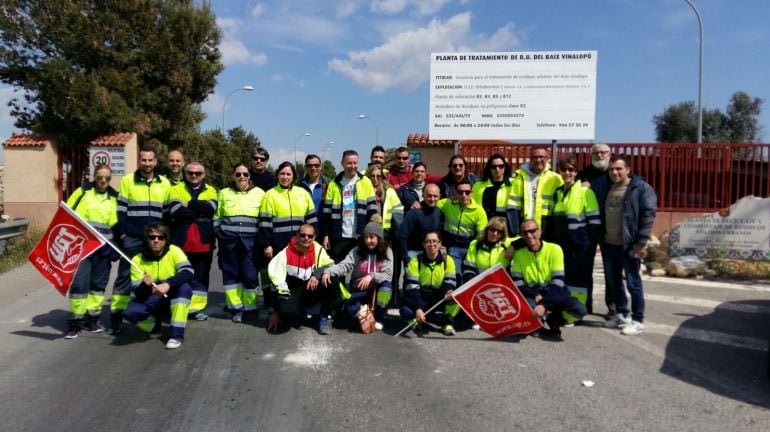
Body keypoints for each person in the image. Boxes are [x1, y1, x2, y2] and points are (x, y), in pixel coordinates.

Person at [109, 145, 171, 335]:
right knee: (125, 279)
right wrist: (123, 235)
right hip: (134, 239)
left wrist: (166, 238)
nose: (147, 163)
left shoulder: (164, 183)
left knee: (156, 277)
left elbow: (167, 214)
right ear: (139, 161)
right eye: (143, 160)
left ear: (155, 162)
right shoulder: (128, 181)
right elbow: (120, 211)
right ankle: (116, 318)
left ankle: (154, 312)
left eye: (150, 160)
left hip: (157, 240)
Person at [601, 155, 657, 336]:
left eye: (618, 169)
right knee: (614, 281)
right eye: (611, 169)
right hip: (610, 243)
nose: (615, 172)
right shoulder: (609, 188)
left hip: (629, 244)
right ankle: (623, 314)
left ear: (628, 169)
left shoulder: (640, 188)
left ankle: (638, 319)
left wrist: (641, 242)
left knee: (633, 283)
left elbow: (648, 215)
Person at [63, 164, 118, 339]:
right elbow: (66, 213)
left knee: (98, 287)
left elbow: (116, 225)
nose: (103, 181)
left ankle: (92, 319)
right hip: (82, 247)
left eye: (107, 178)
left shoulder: (114, 197)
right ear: (94, 177)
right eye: (100, 177)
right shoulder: (82, 192)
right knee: (80, 284)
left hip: (103, 250)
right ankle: (75, 322)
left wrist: (115, 246)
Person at [510, 220, 587, 341]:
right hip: (533, 294)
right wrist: (535, 294)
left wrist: (544, 304)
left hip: (554, 291)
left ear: (540, 231)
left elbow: (558, 282)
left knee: (580, 310)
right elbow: (518, 283)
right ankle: (536, 325)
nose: (529, 235)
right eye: (525, 233)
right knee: (527, 308)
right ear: (522, 236)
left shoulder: (554, 249)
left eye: (532, 231)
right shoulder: (519, 254)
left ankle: (555, 319)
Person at [122, 223, 194, 349]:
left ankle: (176, 335)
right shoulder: (137, 260)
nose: (156, 240)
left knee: (185, 289)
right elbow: (137, 292)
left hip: (171, 292)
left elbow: (188, 271)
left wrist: (168, 284)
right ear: (146, 239)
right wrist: (145, 285)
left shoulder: (174, 251)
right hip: (153, 296)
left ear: (166, 240)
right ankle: (155, 327)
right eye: (152, 237)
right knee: (130, 312)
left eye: (161, 238)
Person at [543, 157, 600, 313]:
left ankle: (577, 312)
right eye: (564, 169)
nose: (567, 172)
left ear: (576, 172)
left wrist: (587, 245)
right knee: (563, 278)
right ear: (560, 172)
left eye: (571, 170)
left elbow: (594, 223)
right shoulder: (558, 193)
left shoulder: (585, 192)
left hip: (580, 245)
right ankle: (565, 308)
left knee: (578, 281)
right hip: (561, 245)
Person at [321, 216, 393, 331]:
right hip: (359, 288)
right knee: (349, 310)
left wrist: (371, 276)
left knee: (386, 288)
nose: (368, 240)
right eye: (366, 237)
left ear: (379, 238)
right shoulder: (357, 250)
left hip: (376, 288)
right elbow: (345, 265)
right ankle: (366, 315)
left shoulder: (387, 251)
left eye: (372, 237)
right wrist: (329, 271)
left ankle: (379, 317)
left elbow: (388, 275)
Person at [214, 163, 265, 323]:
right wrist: (219, 232)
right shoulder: (223, 193)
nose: (241, 177)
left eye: (245, 174)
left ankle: (251, 308)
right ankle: (236, 308)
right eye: (238, 174)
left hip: (251, 243)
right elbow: (217, 216)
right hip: (228, 243)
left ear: (249, 176)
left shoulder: (260, 193)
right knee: (231, 277)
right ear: (233, 176)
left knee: (250, 276)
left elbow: (263, 219)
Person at [167, 161, 217, 321]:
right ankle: (179, 307)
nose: (194, 176)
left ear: (204, 175)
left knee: (201, 277)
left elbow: (210, 210)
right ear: (185, 173)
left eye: (198, 173)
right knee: (180, 276)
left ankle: (196, 309)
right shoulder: (175, 189)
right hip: (181, 243)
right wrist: (199, 210)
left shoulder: (211, 190)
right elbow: (176, 212)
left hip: (204, 243)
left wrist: (189, 204)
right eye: (191, 173)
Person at [267, 224, 338, 335]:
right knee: (286, 312)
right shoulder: (285, 253)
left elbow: (331, 264)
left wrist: (316, 275)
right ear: (297, 236)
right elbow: (276, 282)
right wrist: (276, 311)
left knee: (331, 277)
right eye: (303, 235)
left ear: (314, 237)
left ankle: (325, 317)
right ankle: (300, 313)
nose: (306, 238)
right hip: (293, 289)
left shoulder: (318, 249)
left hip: (311, 286)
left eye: (310, 236)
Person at [321, 150, 377, 262]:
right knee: (337, 270)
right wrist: (326, 235)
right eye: (349, 163)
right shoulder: (333, 183)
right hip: (339, 236)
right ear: (342, 164)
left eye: (355, 163)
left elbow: (372, 210)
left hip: (360, 235)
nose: (353, 166)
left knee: (360, 270)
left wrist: (370, 233)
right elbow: (326, 213)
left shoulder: (365, 182)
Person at [577, 143, 613, 314]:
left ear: (610, 154)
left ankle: (612, 307)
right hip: (588, 228)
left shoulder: (615, 173)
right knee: (584, 268)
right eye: (596, 152)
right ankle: (586, 305)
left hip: (610, 228)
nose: (600, 155)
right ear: (591, 155)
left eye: (603, 152)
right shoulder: (583, 174)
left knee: (611, 269)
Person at [401, 231, 458, 336]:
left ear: (440, 243)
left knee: (456, 299)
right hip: (422, 295)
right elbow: (412, 287)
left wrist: (448, 291)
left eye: (435, 241)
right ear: (423, 245)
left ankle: (447, 323)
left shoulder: (448, 260)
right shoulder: (415, 261)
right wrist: (418, 308)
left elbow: (450, 281)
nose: (432, 244)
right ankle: (416, 321)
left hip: (440, 296)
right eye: (428, 242)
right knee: (405, 311)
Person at [259, 161, 318, 260]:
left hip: (301, 243)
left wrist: (314, 239)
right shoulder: (269, 195)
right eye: (282, 174)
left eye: (288, 174)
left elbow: (312, 221)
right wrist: (266, 244)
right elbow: (265, 223)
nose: (285, 177)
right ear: (277, 175)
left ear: (293, 176)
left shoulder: (303, 194)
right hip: (278, 245)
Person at [437, 180, 488, 281]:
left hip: (471, 248)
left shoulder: (479, 211)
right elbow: (431, 203)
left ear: (472, 193)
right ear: (455, 193)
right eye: (460, 192)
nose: (464, 195)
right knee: (456, 275)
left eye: (467, 192)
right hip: (454, 247)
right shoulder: (447, 203)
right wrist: (418, 204)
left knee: (470, 277)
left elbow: (481, 235)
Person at [510, 147, 563, 236]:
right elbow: (513, 205)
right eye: (535, 157)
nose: (538, 160)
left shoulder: (556, 178)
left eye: (541, 157)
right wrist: (515, 231)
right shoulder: (520, 178)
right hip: (525, 226)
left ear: (547, 159)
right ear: (530, 159)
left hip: (547, 225)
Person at [397, 183, 442, 265]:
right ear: (423, 195)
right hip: (413, 253)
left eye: (435, 196)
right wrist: (406, 259)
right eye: (429, 196)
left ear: (439, 197)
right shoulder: (414, 212)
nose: (432, 199)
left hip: (432, 254)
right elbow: (402, 235)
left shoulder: (439, 212)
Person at [472, 154, 517, 235]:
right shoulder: (478, 185)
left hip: (506, 228)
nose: (497, 169)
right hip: (483, 226)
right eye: (494, 167)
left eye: (501, 166)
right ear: (489, 168)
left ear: (505, 167)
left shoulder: (514, 184)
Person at [462, 216, 511, 283]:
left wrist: (513, 246)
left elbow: (524, 239)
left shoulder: (508, 243)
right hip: (479, 284)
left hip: (500, 285)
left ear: (503, 234)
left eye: (499, 232)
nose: (495, 234)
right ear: (487, 229)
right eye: (492, 230)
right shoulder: (475, 244)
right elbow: (469, 269)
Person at [298, 154, 328, 225]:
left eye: (316, 165)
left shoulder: (328, 185)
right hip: (306, 231)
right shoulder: (299, 186)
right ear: (305, 167)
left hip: (323, 230)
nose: (313, 168)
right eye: (310, 166)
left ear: (321, 166)